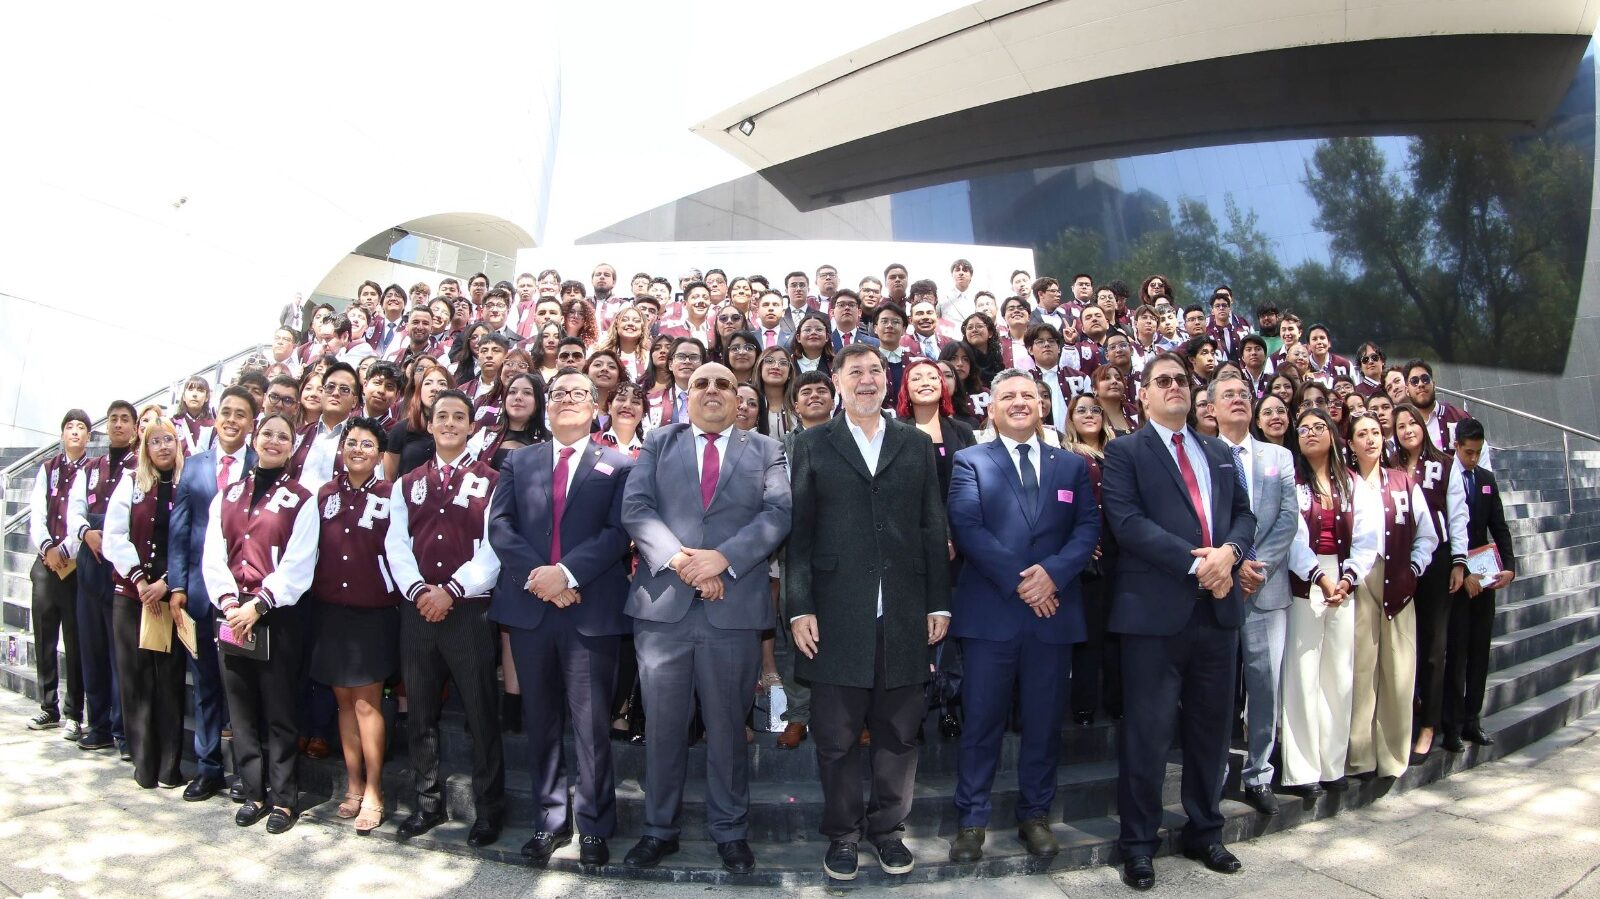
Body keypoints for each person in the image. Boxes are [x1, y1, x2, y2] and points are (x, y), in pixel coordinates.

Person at [786, 342, 951, 881]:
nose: (865, 379)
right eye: (854, 371)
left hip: (904, 611)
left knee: (900, 735)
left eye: (875, 371)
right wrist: (799, 608)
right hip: (836, 614)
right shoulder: (811, 443)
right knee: (834, 737)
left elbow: (932, 526)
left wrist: (939, 603)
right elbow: (800, 537)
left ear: (887, 380)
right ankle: (842, 836)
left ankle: (887, 832)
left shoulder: (914, 442)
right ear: (837, 380)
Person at [620, 362, 792, 874]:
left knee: (726, 729)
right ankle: (658, 829)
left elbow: (778, 514)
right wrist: (685, 563)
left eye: (724, 384)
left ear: (740, 398)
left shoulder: (766, 449)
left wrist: (722, 559)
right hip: (664, 612)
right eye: (702, 383)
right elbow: (636, 508)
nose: (713, 391)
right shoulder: (658, 442)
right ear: (686, 394)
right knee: (664, 728)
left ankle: (730, 831)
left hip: (733, 611)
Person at [1102, 351, 1256, 891]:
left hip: (1218, 612)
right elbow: (1126, 522)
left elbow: (1245, 513)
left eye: (1181, 381)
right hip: (1154, 616)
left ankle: (1204, 830)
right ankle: (1139, 844)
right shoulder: (1124, 451)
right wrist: (1202, 563)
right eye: (1161, 381)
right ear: (1141, 395)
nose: (1174, 387)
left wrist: (1231, 552)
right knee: (1146, 734)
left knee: (1211, 731)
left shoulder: (1217, 450)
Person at [945, 369, 1099, 862]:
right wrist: (1024, 582)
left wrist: (1050, 576)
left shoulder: (1071, 466)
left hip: (1053, 616)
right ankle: (971, 820)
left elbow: (1088, 528)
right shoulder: (970, 461)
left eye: (1027, 396)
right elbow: (967, 528)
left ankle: (1035, 815)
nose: (1017, 403)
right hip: (992, 615)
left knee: (1043, 723)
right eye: (1006, 396)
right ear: (990, 408)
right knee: (982, 723)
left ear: (1043, 405)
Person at [488, 370, 634, 867]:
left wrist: (568, 575)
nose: (567, 400)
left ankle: (594, 826)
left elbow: (619, 532)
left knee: (592, 726)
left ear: (595, 406)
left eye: (579, 394)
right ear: (546, 406)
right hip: (531, 609)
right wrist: (542, 578)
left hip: (590, 609)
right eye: (559, 394)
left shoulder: (620, 463)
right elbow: (500, 525)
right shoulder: (519, 461)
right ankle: (549, 820)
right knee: (541, 721)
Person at [384, 390, 505, 848]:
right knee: (420, 714)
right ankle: (427, 803)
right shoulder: (408, 480)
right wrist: (419, 591)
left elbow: (494, 547)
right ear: (430, 426)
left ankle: (489, 810)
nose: (451, 422)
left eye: (460, 416)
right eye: (442, 416)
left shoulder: (491, 480)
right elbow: (396, 542)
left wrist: (452, 590)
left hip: (469, 611)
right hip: (417, 611)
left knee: (480, 714)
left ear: (471, 425)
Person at [202, 412, 320, 834]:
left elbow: (299, 563)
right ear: (256, 437)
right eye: (267, 433)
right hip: (232, 613)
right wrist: (231, 603)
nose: (273, 441)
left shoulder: (302, 499)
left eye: (282, 436)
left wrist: (260, 605)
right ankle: (252, 791)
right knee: (243, 709)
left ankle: (284, 800)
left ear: (292, 446)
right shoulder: (227, 495)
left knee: (279, 710)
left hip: (277, 617)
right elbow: (213, 555)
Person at [1209, 375, 1299, 815]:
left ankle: (1259, 773)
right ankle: (1213, 770)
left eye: (1245, 395)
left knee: (1265, 685)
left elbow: (1287, 517)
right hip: (1217, 588)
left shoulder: (1278, 455)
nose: (1239, 400)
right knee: (1216, 686)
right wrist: (1234, 564)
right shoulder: (1200, 454)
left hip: (1266, 587)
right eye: (1229, 395)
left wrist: (1255, 566)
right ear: (1211, 408)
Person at [1278, 407, 1378, 797]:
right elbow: (1291, 535)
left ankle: (1332, 764)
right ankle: (1302, 770)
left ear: (1334, 435)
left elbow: (1368, 539)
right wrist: (1318, 576)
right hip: (1306, 577)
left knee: (1338, 673)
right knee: (1303, 675)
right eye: (1304, 429)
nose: (1312, 433)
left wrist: (1349, 579)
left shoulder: (1353, 483)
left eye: (1320, 427)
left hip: (1345, 579)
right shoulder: (1292, 483)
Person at [309, 417, 399, 835]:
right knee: (344, 703)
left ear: (380, 454)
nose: (357, 449)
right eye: (351, 443)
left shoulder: (390, 495)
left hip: (373, 613)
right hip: (330, 613)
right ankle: (353, 784)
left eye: (367, 444)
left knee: (367, 704)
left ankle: (376, 790)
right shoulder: (325, 495)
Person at [167, 386, 257, 802]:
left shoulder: (263, 464)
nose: (232, 420)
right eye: (226, 412)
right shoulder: (195, 468)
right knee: (205, 683)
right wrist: (178, 585)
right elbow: (181, 530)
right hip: (203, 596)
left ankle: (247, 772)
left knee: (244, 687)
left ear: (251, 422)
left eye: (241, 413)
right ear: (215, 417)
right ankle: (208, 768)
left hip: (249, 599)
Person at [1346, 410, 1438, 780]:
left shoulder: (1403, 483)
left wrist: (1414, 569)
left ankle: (1393, 755)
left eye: (1375, 432)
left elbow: (1428, 534)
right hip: (1359, 583)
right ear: (1351, 444)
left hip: (1399, 583)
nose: (1370, 439)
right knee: (1361, 670)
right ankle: (1360, 755)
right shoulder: (1346, 484)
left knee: (1399, 671)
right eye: (1361, 434)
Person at [103, 417, 187, 789]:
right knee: (135, 681)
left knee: (168, 681)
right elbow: (114, 536)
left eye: (169, 439)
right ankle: (144, 764)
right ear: (145, 448)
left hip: (170, 599)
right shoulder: (131, 482)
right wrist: (139, 578)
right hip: (131, 595)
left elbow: (192, 541)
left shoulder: (187, 485)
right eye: (155, 441)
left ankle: (170, 767)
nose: (163, 446)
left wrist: (166, 583)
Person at [1393, 402, 1469, 761]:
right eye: (1401, 425)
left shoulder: (1446, 464)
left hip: (1437, 560)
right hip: (1399, 559)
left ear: (1423, 425)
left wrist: (1459, 561)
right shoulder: (1390, 466)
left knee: (1435, 648)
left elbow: (1458, 515)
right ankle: (1405, 718)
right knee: (1406, 644)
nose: (1407, 429)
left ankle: (1429, 725)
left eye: (1413, 422)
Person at [66, 400, 140, 755]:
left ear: (136, 427)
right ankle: (96, 725)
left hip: (122, 564)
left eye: (125, 419)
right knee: (91, 647)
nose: (118, 425)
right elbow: (74, 508)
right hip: (89, 559)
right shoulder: (90, 467)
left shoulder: (140, 466)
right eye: (113, 419)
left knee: (118, 652)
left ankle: (123, 730)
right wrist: (84, 532)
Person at [1442, 418, 1516, 750]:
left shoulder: (1486, 480)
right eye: (1467, 452)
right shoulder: (1446, 477)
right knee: (1456, 653)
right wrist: (1462, 569)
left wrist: (1509, 567)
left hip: (1485, 574)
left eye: (1477, 453)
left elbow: (1498, 526)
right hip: (1457, 576)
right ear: (1456, 446)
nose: (1472, 458)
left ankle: (1473, 719)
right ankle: (1452, 723)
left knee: (1479, 652)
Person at [26, 409, 93, 735]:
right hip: (45, 563)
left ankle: (74, 712)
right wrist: (47, 547)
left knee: (75, 638)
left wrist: (65, 549)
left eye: (81, 427)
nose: (75, 432)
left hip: (74, 565)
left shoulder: (92, 470)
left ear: (89, 436)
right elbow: (37, 512)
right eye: (70, 426)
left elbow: (82, 516)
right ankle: (47, 706)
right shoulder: (47, 468)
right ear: (62, 433)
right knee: (44, 635)